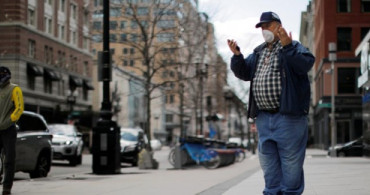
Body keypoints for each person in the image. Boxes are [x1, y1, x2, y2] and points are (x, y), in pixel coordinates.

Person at [227, 11, 315, 195]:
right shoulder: (259, 52)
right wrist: (237, 56)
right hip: (264, 118)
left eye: (268, 25)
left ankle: (290, 193)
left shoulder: (293, 47)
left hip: (289, 118)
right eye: (262, 27)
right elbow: (244, 72)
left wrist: (288, 46)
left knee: (291, 164)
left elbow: (305, 64)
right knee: (268, 163)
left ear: (278, 26)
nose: (265, 30)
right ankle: (272, 192)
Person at [0, 66, 24, 195]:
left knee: (9, 160)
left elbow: (19, 108)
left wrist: (9, 121)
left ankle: (6, 188)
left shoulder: (14, 89)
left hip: (8, 130)